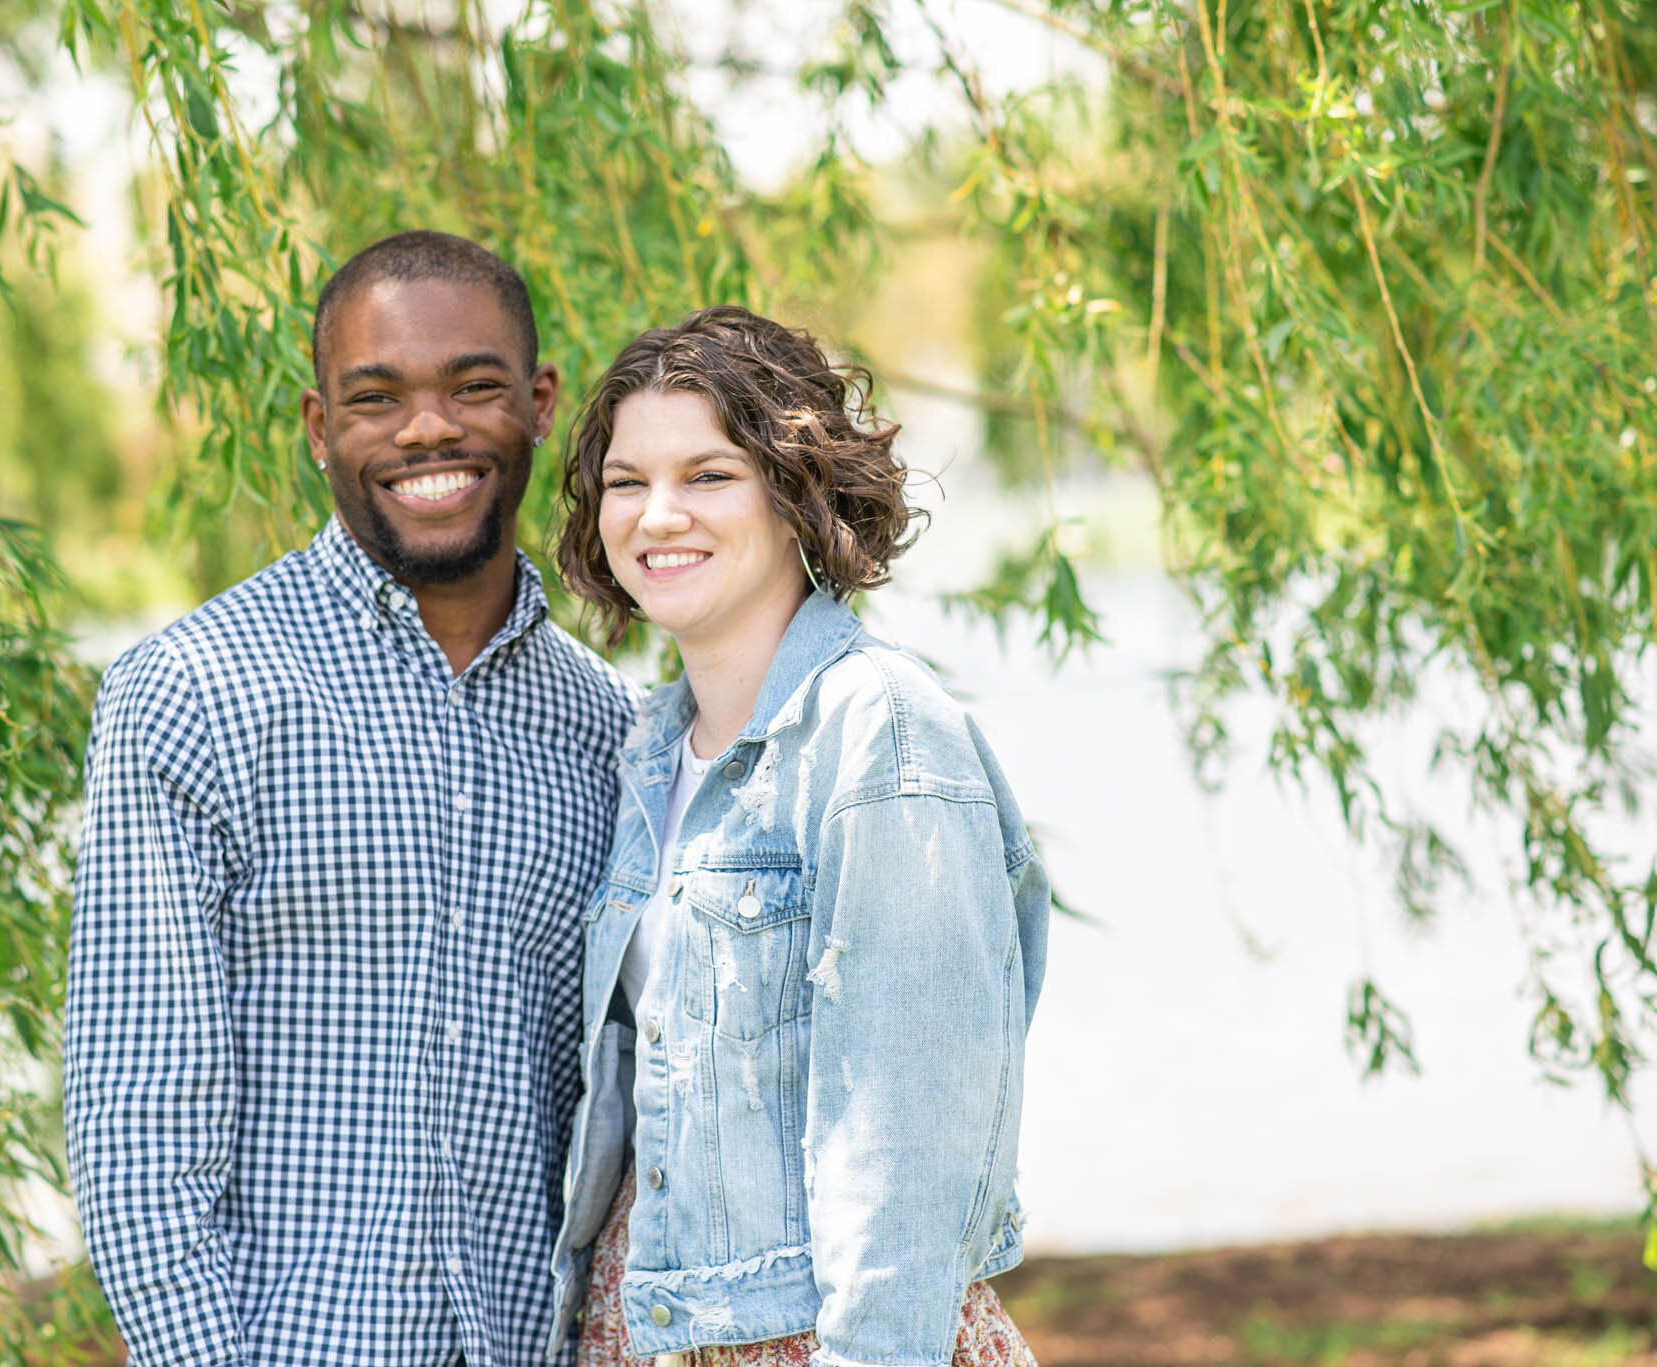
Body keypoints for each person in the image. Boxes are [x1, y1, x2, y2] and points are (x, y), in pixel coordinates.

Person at [64, 231, 635, 1367]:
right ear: (322, 427)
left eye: (473, 387)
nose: (429, 429)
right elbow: (139, 1124)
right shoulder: (193, 693)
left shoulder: (612, 732)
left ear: (536, 403)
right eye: (377, 398)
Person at [546, 306, 1048, 1367]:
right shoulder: (644, 754)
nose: (656, 513)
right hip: (647, 1327)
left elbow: (906, 1144)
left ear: (793, 493)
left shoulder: (882, 737)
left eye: (707, 474)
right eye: (626, 482)